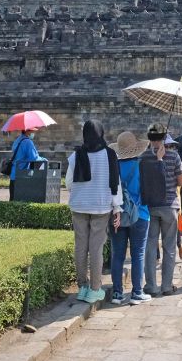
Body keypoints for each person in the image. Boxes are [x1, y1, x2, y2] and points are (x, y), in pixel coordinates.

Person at [66, 120, 121, 304]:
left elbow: (68, 183)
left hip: (79, 205)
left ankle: (82, 287)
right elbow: (115, 183)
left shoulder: (76, 155)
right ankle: (95, 289)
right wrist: (117, 207)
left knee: (80, 246)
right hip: (100, 206)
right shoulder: (109, 154)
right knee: (96, 247)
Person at [139, 123, 182, 297]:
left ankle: (151, 286)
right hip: (169, 206)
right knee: (169, 247)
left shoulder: (143, 157)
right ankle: (167, 286)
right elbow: (181, 181)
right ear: (163, 138)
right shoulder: (174, 156)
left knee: (150, 245)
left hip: (150, 206)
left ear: (149, 138)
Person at [109, 131, 153, 305]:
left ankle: (117, 294)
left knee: (117, 254)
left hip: (117, 213)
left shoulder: (113, 167)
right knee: (138, 254)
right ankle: (136, 292)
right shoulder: (142, 165)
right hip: (140, 213)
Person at [9, 128, 45, 201]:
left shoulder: (18, 140)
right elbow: (33, 158)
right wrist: (44, 159)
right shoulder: (28, 142)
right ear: (27, 131)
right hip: (22, 175)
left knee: (13, 200)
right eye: (33, 131)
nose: (34, 133)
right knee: (22, 201)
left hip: (14, 174)